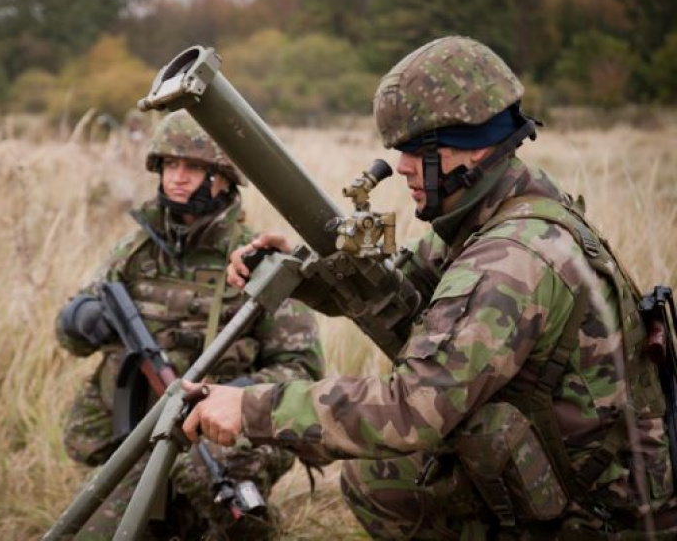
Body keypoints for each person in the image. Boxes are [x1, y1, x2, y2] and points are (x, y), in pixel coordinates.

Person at [182, 35, 676, 538]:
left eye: (418, 149)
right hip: (572, 471)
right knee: (379, 480)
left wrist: (252, 408)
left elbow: (412, 409)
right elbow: (395, 287)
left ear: (475, 145)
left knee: (386, 476)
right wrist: (297, 273)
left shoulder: (511, 259)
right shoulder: (505, 205)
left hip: (606, 517)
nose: (401, 166)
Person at [55, 110, 324, 540]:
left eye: (194, 167)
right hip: (142, 440)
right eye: (170, 165)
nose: (178, 178)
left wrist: (234, 397)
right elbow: (72, 337)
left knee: (221, 496)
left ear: (223, 178)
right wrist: (79, 320)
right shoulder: (134, 252)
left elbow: (302, 369)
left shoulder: (256, 262)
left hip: (220, 442)